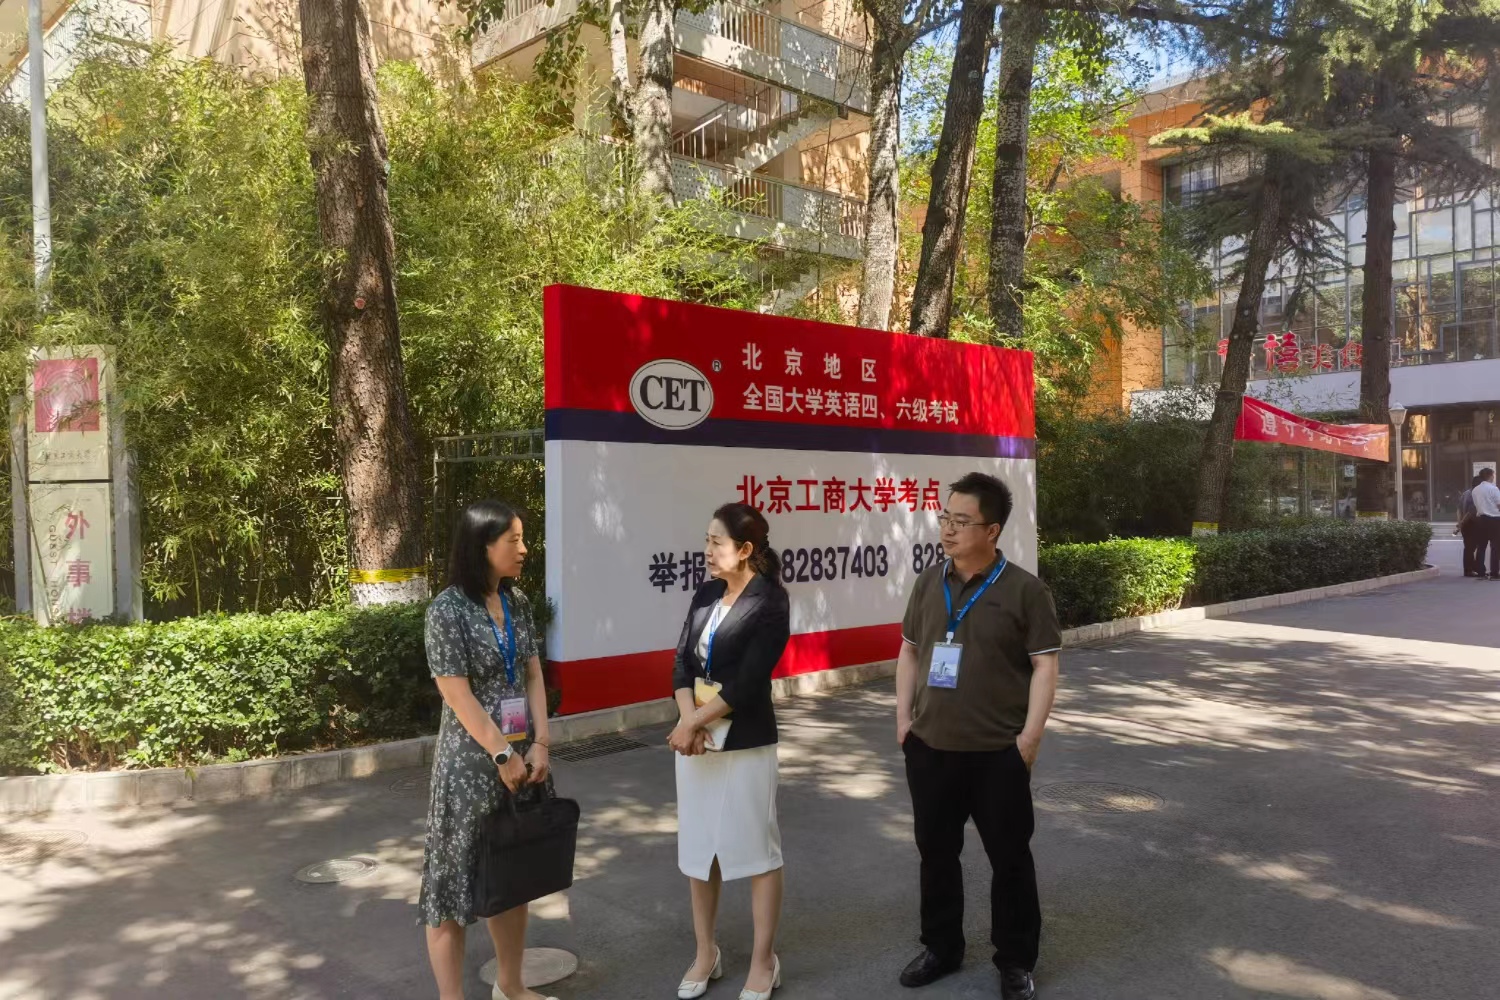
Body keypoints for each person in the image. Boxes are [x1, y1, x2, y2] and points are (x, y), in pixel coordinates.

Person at [895, 472, 1062, 1000]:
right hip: (931, 748)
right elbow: (909, 651)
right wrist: (903, 721)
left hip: (997, 753)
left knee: (1009, 859)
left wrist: (1029, 738)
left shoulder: (1025, 591)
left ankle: (1015, 960)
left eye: (961, 521)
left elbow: (1045, 666)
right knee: (936, 854)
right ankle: (941, 947)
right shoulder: (928, 582)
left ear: (991, 531)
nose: (947, 529)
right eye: (945, 518)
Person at [418, 500, 557, 1000]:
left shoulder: (517, 602)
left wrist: (541, 742)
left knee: (511, 879)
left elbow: (534, 673)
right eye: (513, 540)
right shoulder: (446, 610)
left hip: (524, 760)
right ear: (483, 547)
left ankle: (511, 988)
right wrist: (503, 754)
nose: (524, 549)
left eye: (523, 538)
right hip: (471, 768)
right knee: (451, 890)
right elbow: (456, 694)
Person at [668, 502, 792, 1000]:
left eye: (716, 542)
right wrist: (689, 723)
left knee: (758, 850)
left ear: (744, 550)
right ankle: (706, 952)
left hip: (745, 743)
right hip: (696, 743)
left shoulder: (770, 601)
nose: (706, 550)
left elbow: (748, 681)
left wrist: (693, 722)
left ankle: (764, 961)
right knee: (700, 851)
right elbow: (682, 663)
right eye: (706, 540)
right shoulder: (705, 594)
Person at [1473, 466, 1500, 580]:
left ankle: (1480, 572)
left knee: (1481, 546)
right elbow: (1499, 504)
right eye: (1493, 475)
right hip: (1494, 519)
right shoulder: (1493, 489)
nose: (1494, 477)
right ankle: (1494, 573)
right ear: (1490, 476)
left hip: (1481, 519)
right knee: (1495, 546)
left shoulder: (1475, 490)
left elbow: (1476, 505)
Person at [1458, 475, 1482, 577]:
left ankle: (1473, 567)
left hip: (1465, 524)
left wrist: (1459, 522)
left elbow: (1459, 509)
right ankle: (1469, 570)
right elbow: (1470, 512)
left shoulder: (1465, 493)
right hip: (1471, 523)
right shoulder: (1474, 495)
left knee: (1469, 547)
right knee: (1471, 548)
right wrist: (1462, 523)